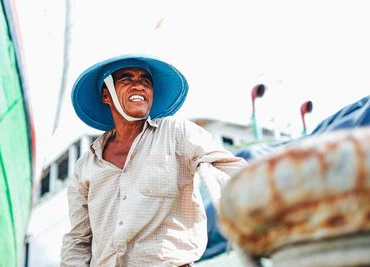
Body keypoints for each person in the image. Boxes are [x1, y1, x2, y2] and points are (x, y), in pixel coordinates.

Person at [60, 55, 247, 267]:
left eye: (145, 81)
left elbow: (231, 170)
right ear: (106, 94)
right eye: (127, 79)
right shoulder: (85, 166)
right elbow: (79, 239)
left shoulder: (177, 132)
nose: (138, 85)